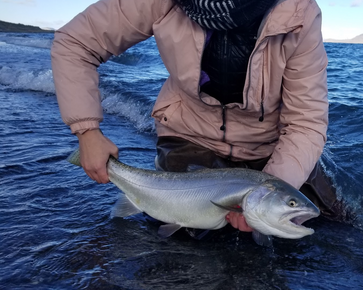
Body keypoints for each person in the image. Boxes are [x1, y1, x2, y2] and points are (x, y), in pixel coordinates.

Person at [51, 0, 343, 234]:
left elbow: (305, 121)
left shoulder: (299, 11)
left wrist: (265, 194)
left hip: (268, 146)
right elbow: (75, 42)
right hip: (189, 133)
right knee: (186, 239)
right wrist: (87, 132)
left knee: (335, 227)